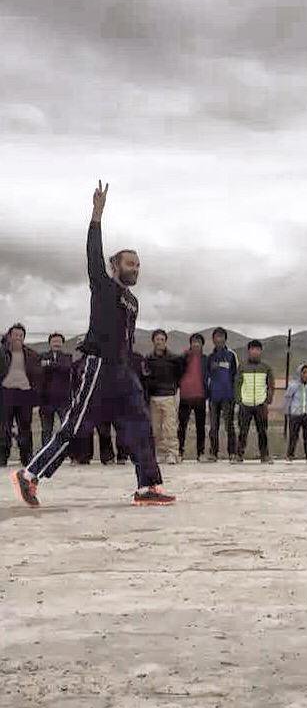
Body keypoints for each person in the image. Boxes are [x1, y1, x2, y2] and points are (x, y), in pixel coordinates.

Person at [12, 182, 174, 507]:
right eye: (130, 264)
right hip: (97, 367)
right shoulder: (103, 286)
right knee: (76, 426)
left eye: (139, 264)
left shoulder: (132, 300)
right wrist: (96, 217)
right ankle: (30, 475)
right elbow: (92, 255)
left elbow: (126, 339)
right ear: (115, 267)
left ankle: (148, 487)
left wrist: (131, 369)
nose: (136, 268)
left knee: (140, 424)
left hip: (122, 372)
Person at [0, 324, 41, 467]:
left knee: (25, 427)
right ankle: (2, 457)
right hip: (6, 393)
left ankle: (26, 458)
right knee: (4, 426)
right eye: (15, 335)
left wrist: (35, 397)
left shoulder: (32, 354)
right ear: (9, 336)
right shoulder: (2, 352)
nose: (18, 337)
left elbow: (37, 377)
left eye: (20, 335)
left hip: (25, 394)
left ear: (24, 337)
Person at [144, 329, 182, 465]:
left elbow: (179, 375)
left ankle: (172, 453)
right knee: (156, 428)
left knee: (170, 427)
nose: (159, 342)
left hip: (168, 396)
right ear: (153, 341)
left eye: (162, 339)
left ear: (165, 341)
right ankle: (160, 453)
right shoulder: (148, 359)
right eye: (157, 339)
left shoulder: (174, 359)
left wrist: (173, 387)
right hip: (154, 397)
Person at [235, 340, 274, 463]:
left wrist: (267, 399)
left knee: (262, 432)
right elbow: (237, 384)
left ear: (260, 351)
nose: (255, 352)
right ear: (249, 351)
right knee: (243, 431)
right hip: (245, 405)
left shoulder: (266, 368)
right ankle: (239, 455)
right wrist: (239, 400)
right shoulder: (242, 367)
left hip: (260, 405)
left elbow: (270, 385)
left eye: (257, 349)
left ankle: (265, 455)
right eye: (253, 349)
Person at [206, 327, 238, 462]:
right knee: (213, 426)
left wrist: (235, 395)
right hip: (214, 397)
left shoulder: (231, 355)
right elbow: (207, 376)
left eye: (221, 336)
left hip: (228, 396)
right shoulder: (210, 357)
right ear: (213, 340)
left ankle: (232, 453)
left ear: (225, 339)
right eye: (216, 337)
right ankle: (213, 453)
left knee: (229, 425)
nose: (219, 339)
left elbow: (236, 376)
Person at [38, 333, 73, 448]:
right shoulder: (42, 356)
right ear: (50, 343)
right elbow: (39, 371)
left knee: (66, 427)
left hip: (63, 400)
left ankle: (66, 451)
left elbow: (66, 368)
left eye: (59, 341)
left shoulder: (67, 357)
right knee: (46, 429)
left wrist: (49, 364)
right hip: (46, 400)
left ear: (62, 343)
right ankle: (46, 453)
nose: (56, 344)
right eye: (54, 341)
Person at [177, 333, 208, 461]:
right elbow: (177, 372)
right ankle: (180, 452)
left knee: (200, 427)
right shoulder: (184, 357)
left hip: (200, 395)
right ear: (190, 344)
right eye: (194, 342)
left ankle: (200, 453)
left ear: (202, 345)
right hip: (185, 395)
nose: (196, 344)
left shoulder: (205, 359)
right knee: (182, 426)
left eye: (198, 342)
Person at [284, 363, 307, 462]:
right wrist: (287, 412)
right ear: (300, 373)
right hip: (295, 414)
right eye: (304, 372)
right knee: (293, 436)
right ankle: (290, 455)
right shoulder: (293, 386)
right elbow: (288, 399)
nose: (306, 375)